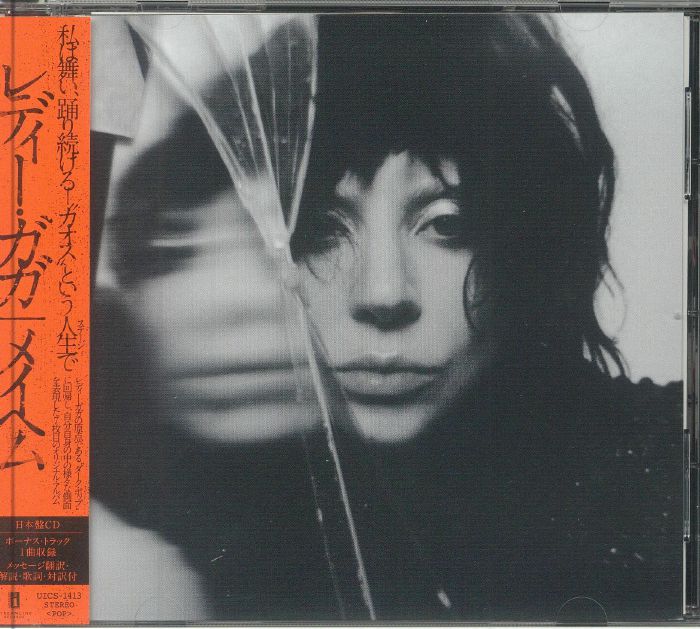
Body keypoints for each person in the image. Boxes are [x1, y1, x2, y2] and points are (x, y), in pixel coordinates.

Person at [90, 13, 682, 622]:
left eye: (449, 224)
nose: (383, 293)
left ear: (530, 245)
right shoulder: (155, 474)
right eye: (318, 228)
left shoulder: (663, 475)